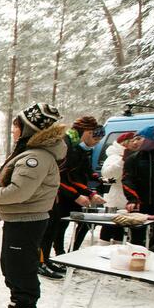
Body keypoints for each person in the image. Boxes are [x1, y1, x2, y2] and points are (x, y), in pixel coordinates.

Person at [0, 103, 66, 308]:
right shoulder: (30, 153)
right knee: (10, 264)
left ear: (29, 129)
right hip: (19, 218)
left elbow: (19, 192)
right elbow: (13, 182)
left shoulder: (35, 157)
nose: (13, 131)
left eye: (16, 126)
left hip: (28, 219)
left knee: (21, 268)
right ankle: (16, 307)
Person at [38, 116, 105, 279]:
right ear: (88, 132)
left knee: (54, 228)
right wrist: (77, 195)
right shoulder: (66, 143)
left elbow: (74, 174)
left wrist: (88, 193)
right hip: (53, 194)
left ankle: (46, 260)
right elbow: (59, 176)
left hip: (61, 193)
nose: (96, 143)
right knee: (49, 229)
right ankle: (40, 263)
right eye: (95, 138)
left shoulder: (76, 145)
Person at [123, 125, 154, 254]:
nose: (134, 142)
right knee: (137, 242)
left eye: (139, 138)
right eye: (134, 139)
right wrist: (132, 199)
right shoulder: (133, 159)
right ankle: (135, 268)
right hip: (141, 205)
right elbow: (127, 180)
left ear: (151, 139)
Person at [99, 131, 138, 243]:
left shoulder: (135, 156)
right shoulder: (114, 157)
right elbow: (108, 175)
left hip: (127, 200)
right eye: (132, 141)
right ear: (125, 143)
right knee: (109, 229)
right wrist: (122, 161)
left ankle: (118, 251)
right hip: (115, 200)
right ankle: (102, 252)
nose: (135, 143)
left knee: (121, 232)